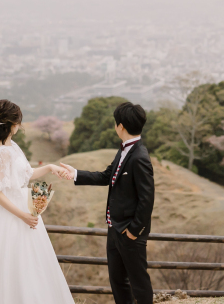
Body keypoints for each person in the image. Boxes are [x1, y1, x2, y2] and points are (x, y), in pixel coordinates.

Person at [0, 99, 74, 304]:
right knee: (7, 264)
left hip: (22, 210)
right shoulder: (2, 152)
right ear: (12, 124)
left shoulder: (12, 146)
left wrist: (50, 168)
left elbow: (27, 174)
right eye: (18, 121)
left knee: (29, 265)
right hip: (8, 215)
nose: (19, 125)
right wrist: (23, 216)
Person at [60, 102, 155, 304]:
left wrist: (133, 231)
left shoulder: (140, 157)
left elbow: (147, 199)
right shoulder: (124, 150)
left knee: (139, 282)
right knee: (118, 281)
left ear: (120, 126)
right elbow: (106, 176)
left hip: (129, 232)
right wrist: (75, 173)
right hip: (114, 228)